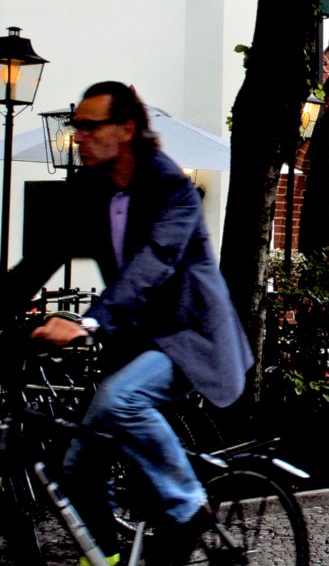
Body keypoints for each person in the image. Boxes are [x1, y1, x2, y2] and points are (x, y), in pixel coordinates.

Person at [2, 81, 253, 565]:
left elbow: (153, 264)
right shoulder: (91, 190)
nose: (79, 136)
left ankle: (188, 509)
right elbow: (40, 260)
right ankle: (106, 557)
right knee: (75, 469)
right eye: (77, 127)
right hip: (136, 345)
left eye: (90, 126)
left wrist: (90, 323)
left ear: (127, 129)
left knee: (122, 399)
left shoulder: (172, 188)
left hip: (190, 338)